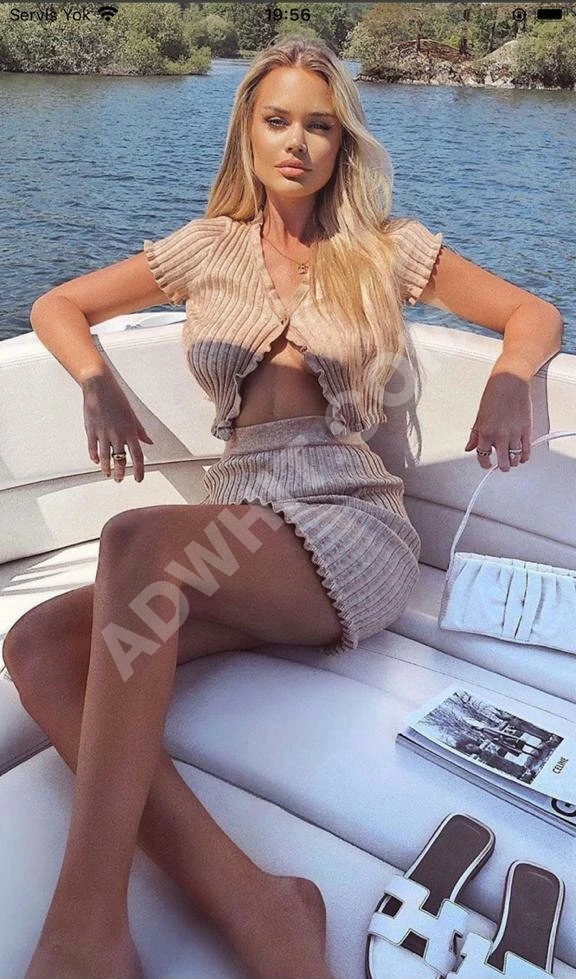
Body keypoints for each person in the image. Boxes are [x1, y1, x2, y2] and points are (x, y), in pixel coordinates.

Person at [4, 33, 563, 979]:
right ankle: (255, 900)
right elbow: (58, 306)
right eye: (277, 121)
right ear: (249, 133)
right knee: (38, 647)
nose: (297, 142)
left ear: (343, 144)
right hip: (241, 522)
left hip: (348, 516)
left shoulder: (386, 249)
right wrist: (98, 384)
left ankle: (84, 931)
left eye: (319, 125)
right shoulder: (205, 247)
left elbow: (533, 314)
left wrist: (511, 375)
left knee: (134, 542)